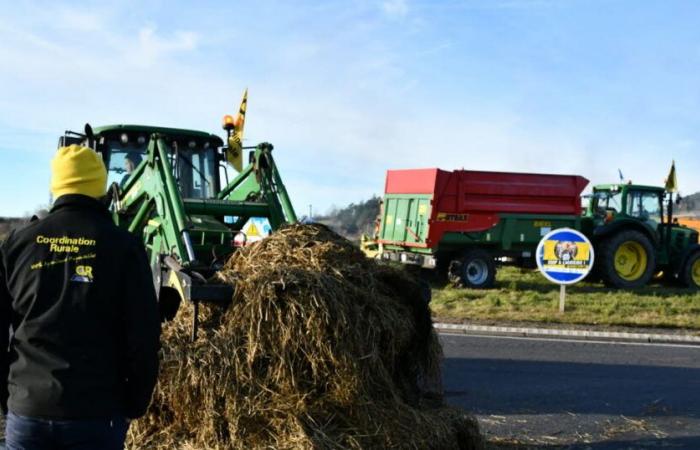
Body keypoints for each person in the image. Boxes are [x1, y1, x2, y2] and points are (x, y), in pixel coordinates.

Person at [0, 144, 161, 449]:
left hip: (29, 409)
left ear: (57, 186)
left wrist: (10, 397)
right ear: (101, 187)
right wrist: (135, 402)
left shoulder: (19, 245)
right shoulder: (124, 248)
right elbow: (143, 336)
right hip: (97, 415)